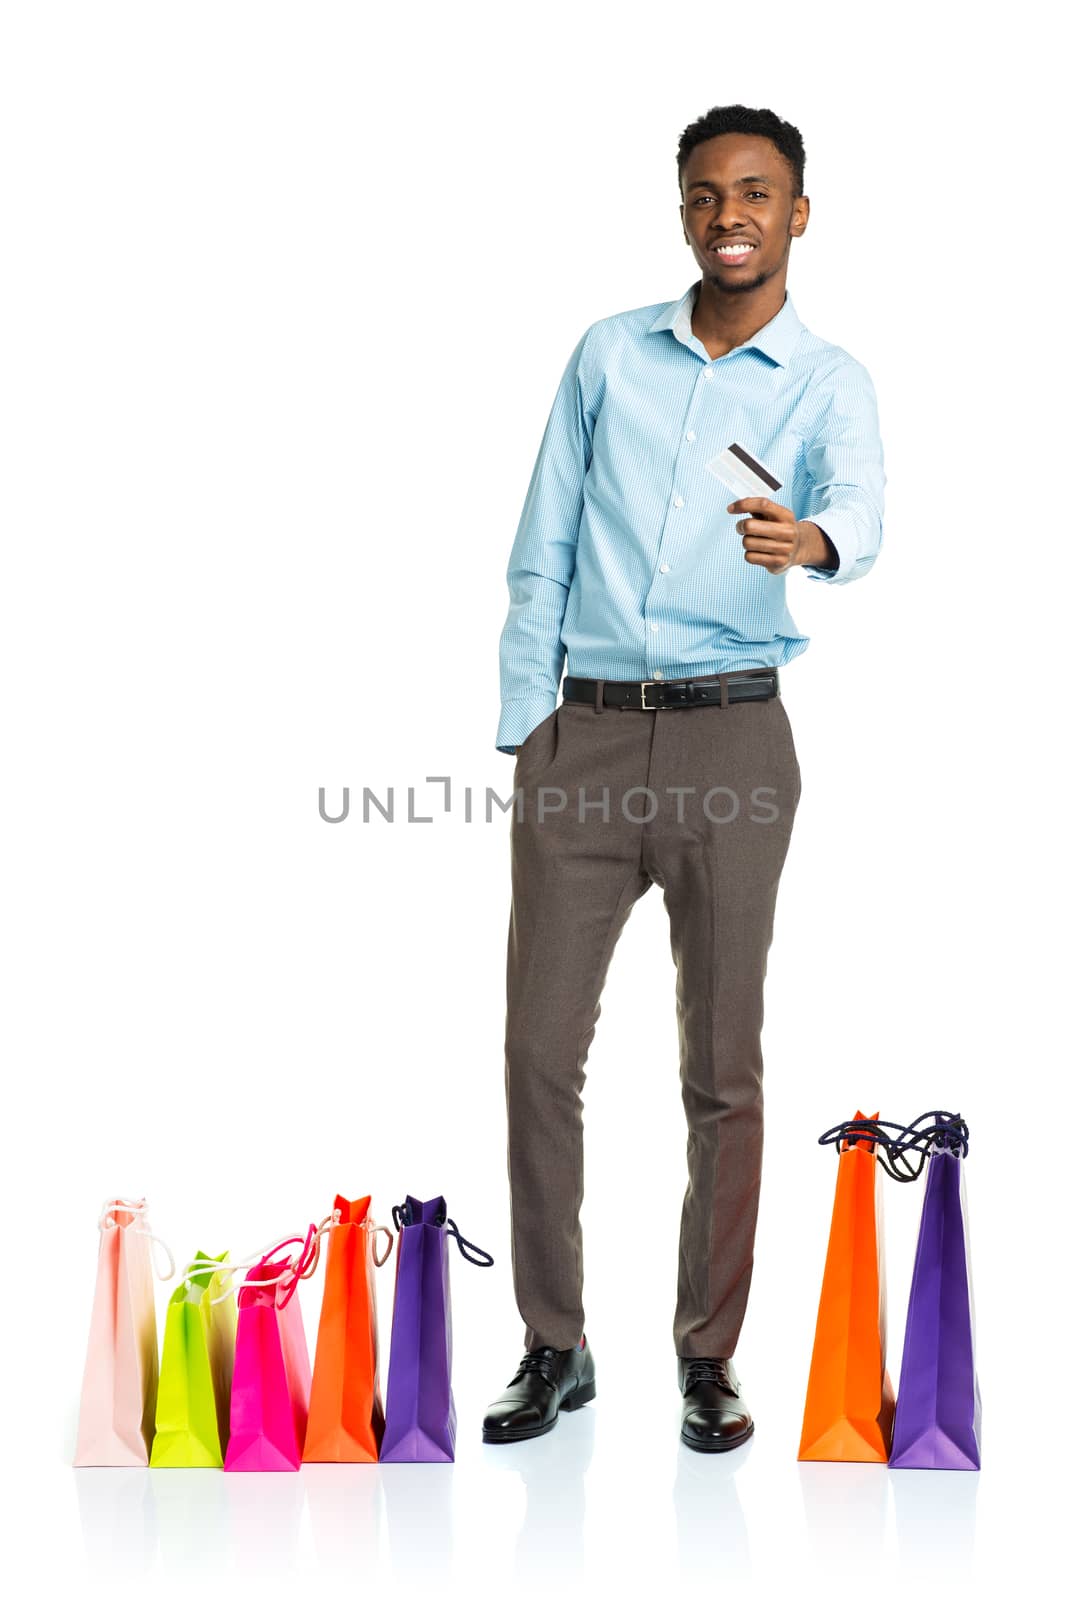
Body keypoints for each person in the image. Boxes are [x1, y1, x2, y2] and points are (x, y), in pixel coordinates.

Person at [483, 103, 885, 1452]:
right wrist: (525, 728)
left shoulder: (824, 382)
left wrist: (809, 540)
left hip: (731, 738)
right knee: (538, 1051)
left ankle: (705, 1357)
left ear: (797, 215)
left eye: (757, 194)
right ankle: (555, 1344)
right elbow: (541, 541)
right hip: (581, 741)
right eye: (707, 194)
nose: (731, 216)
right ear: (682, 212)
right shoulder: (608, 356)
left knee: (722, 1066)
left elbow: (859, 515)